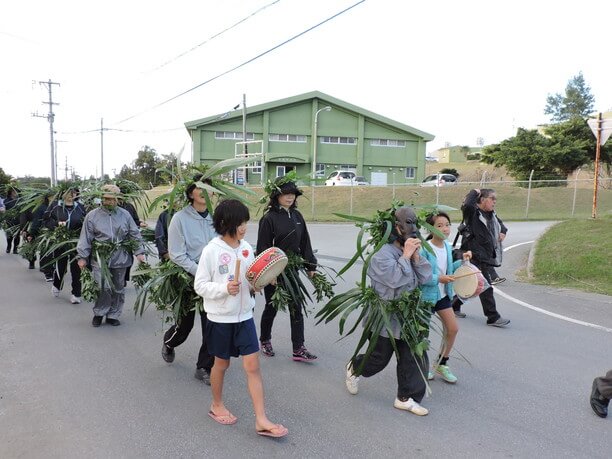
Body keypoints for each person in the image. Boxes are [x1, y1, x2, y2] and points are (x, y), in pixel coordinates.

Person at [194, 199, 288, 438]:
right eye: (240, 222)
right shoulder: (211, 251)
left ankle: (261, 419)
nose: (245, 226)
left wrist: (263, 281)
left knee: (253, 366)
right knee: (221, 364)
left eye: (246, 221)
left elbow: (251, 279)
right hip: (220, 319)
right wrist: (225, 289)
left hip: (245, 316)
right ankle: (216, 405)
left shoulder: (246, 247)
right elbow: (200, 285)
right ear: (226, 223)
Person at [345, 206, 433, 416]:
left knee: (413, 354)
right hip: (385, 316)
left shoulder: (413, 252)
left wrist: (416, 258)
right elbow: (394, 279)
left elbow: (426, 278)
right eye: (407, 224)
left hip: (408, 314)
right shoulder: (382, 255)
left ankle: (406, 397)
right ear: (396, 228)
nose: (412, 230)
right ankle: (355, 368)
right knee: (378, 358)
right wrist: (406, 255)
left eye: (415, 225)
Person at [161, 176, 216, 385]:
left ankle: (204, 367)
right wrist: (199, 272)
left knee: (211, 323)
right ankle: (169, 342)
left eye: (208, 188)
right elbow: (176, 254)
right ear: (190, 193)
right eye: (199, 188)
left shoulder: (217, 218)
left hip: (212, 281)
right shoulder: (180, 219)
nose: (204, 192)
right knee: (184, 325)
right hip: (187, 278)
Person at [256, 178, 318, 362]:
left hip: (292, 270)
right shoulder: (268, 218)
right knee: (272, 307)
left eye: (293, 194)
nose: (290, 197)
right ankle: (265, 339)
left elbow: (305, 242)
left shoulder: (297, 216)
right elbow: (263, 247)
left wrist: (310, 265)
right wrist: (269, 273)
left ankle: (298, 348)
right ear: (276, 195)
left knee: (296, 308)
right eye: (286, 193)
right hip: (275, 270)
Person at [76, 184, 145, 327]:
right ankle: (99, 312)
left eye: (113, 199)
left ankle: (113, 314)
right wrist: (82, 256)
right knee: (103, 286)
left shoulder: (125, 215)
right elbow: (86, 237)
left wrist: (139, 252)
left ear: (118, 199)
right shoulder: (92, 215)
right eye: (107, 199)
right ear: (101, 198)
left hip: (121, 256)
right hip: (100, 257)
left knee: (118, 287)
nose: (110, 202)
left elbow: (134, 234)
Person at [420, 212, 472, 384]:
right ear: (430, 228)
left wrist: (462, 262)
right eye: (439, 225)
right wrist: (438, 279)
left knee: (453, 328)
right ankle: (421, 366)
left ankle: (441, 363)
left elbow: (448, 269)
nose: (445, 228)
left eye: (447, 224)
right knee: (422, 335)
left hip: (443, 295)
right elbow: (420, 275)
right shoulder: (424, 248)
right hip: (426, 297)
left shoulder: (448, 247)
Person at [452, 189, 510, 327]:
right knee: (485, 286)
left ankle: (453, 305)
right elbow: (466, 205)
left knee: (472, 284)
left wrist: (502, 232)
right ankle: (493, 317)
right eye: (491, 198)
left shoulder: (491, 214)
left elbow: (501, 225)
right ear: (482, 199)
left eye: (495, 199)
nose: (494, 201)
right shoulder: (472, 213)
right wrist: (474, 192)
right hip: (473, 254)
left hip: (485, 255)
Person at [47, 188, 87, 303]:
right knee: (61, 266)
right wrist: (56, 224)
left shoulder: (80, 207)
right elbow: (46, 221)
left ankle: (76, 294)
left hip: (76, 242)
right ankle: (56, 285)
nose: (71, 195)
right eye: (68, 193)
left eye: (73, 193)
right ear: (62, 194)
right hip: (60, 241)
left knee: (76, 268)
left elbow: (86, 222)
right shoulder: (55, 206)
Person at [4, 188, 20, 254]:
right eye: (14, 191)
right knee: (9, 235)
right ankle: (9, 246)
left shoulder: (19, 200)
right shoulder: (6, 200)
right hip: (9, 220)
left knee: (17, 236)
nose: (15, 193)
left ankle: (15, 249)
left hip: (18, 220)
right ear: (11, 192)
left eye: (16, 192)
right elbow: (4, 210)